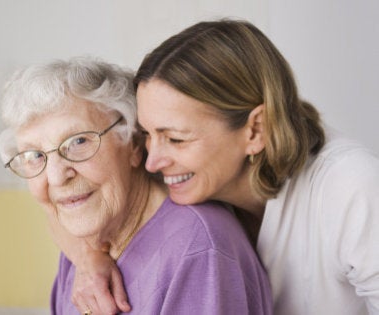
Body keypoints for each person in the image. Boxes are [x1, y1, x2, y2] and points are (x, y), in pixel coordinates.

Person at [65, 20, 379, 314]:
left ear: (256, 130)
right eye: (148, 134)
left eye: (175, 138)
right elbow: (59, 197)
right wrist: (88, 256)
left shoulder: (351, 186)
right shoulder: (181, 177)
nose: (153, 161)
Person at [0, 56, 272, 314]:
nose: (57, 177)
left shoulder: (198, 248)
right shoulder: (84, 243)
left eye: (79, 141)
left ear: (134, 144)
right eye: (34, 156)